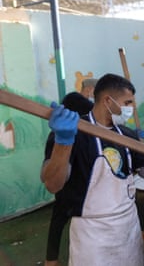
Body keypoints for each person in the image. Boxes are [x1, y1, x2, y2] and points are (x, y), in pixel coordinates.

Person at [40, 73, 144, 266]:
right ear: (108, 101)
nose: (131, 108)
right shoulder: (75, 131)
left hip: (128, 229)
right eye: (127, 102)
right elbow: (53, 184)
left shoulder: (127, 136)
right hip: (93, 236)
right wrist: (64, 142)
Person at [44, 79, 97, 266]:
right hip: (66, 189)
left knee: (61, 221)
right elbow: (50, 177)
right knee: (59, 219)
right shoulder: (58, 135)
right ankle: (51, 260)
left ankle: (52, 258)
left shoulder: (88, 129)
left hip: (81, 185)